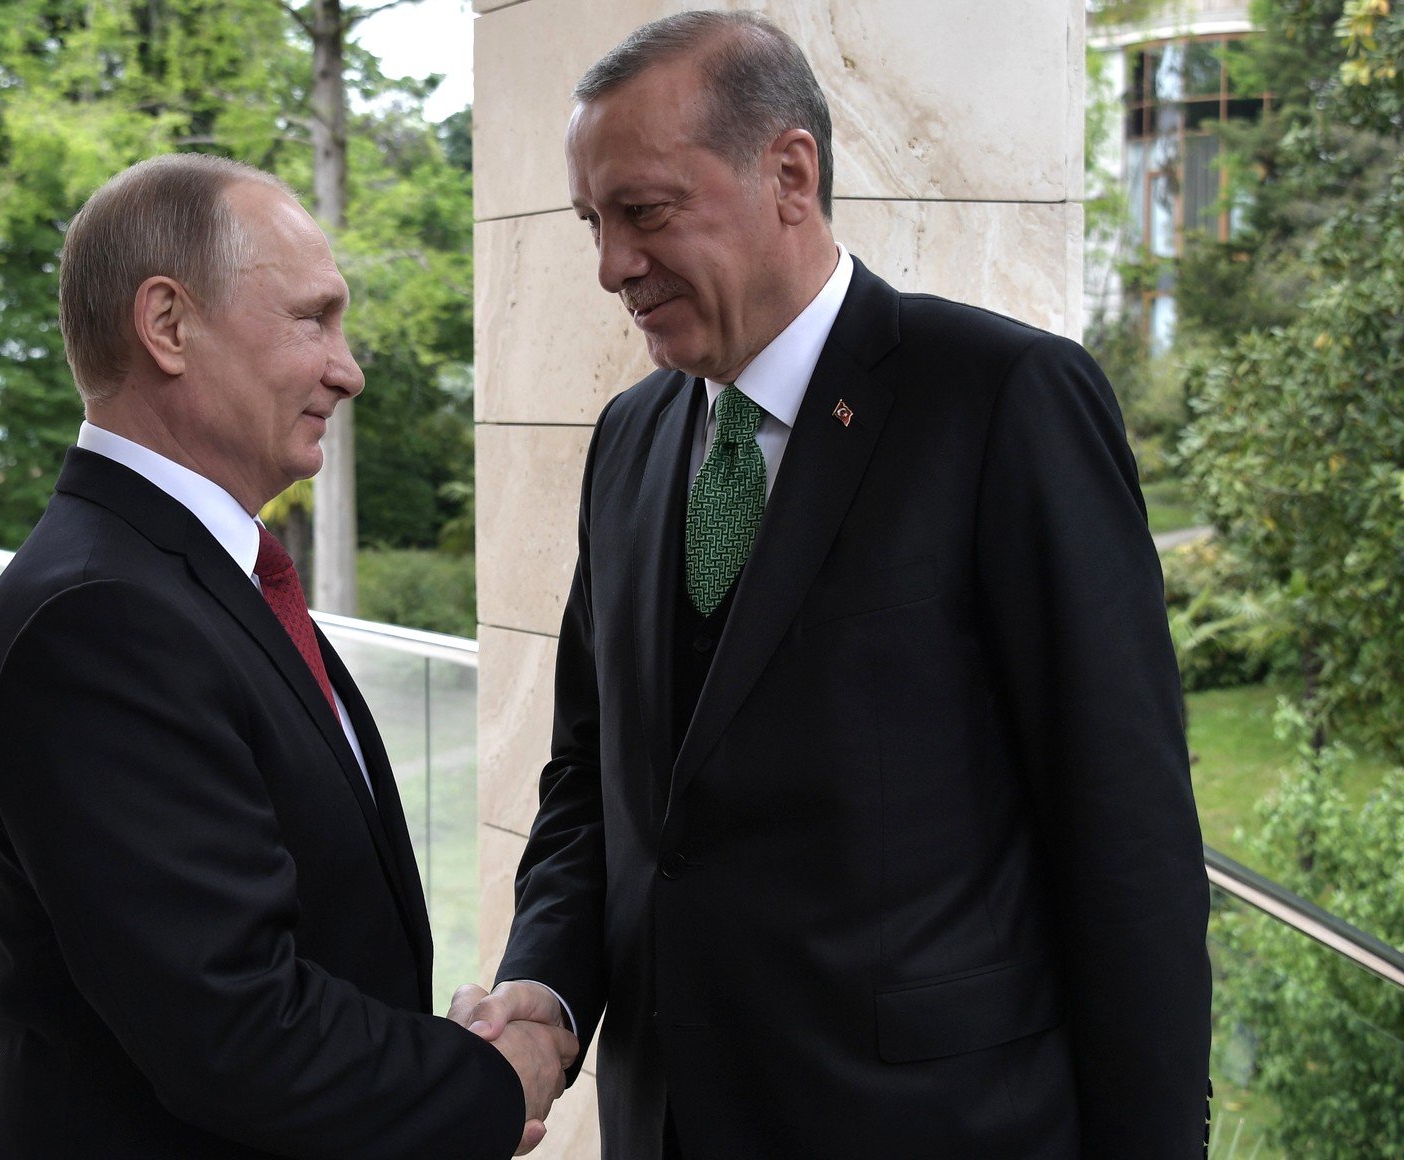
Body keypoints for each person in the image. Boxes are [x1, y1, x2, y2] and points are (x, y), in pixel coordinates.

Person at [454, 12, 1211, 1158]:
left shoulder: (1004, 400)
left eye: (644, 212)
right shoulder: (627, 437)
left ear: (788, 174)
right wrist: (545, 999)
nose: (609, 264)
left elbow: (1127, 843)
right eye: (591, 222)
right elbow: (590, 788)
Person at [0, 153, 575, 1160]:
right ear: (166, 325)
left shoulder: (192, 577)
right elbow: (233, 1024)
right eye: (311, 318)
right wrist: (483, 1079)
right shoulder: (101, 614)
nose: (348, 366)